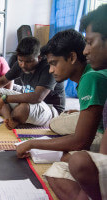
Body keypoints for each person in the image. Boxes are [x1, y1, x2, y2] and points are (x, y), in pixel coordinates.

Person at [44, 5, 107, 200]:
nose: (85, 51)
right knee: (62, 164)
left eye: (90, 42)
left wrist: (30, 145)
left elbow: (82, 141)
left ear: (71, 58)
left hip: (95, 133)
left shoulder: (91, 77)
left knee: (59, 130)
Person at [0, 37, 65, 129]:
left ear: (38, 58)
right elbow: (2, 80)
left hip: (51, 109)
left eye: (28, 61)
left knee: (23, 109)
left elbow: (37, 97)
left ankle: (12, 115)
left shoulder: (48, 67)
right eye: (20, 60)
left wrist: (5, 99)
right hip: (29, 99)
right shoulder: (21, 63)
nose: (23, 65)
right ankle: (9, 119)